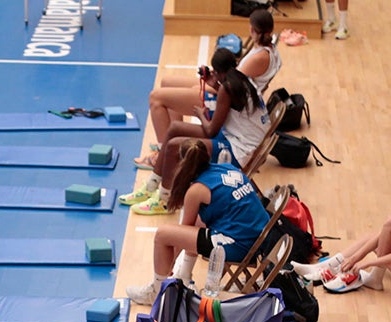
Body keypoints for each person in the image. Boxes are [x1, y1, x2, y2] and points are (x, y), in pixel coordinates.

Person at [120, 48, 269, 216]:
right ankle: (151, 186)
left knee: (175, 145)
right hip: (240, 139)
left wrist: (200, 115)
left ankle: (164, 200)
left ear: (218, 72)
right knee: (175, 128)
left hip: (239, 151)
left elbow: (211, 130)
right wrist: (214, 85)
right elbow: (226, 110)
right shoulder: (242, 79)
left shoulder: (227, 89)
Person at [126, 139, 271, 305]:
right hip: (261, 237)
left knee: (162, 235)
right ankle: (184, 276)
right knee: (198, 221)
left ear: (182, 164)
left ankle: (158, 292)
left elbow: (181, 236)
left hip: (240, 245)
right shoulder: (228, 167)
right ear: (206, 156)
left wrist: (170, 264)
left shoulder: (196, 190)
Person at [135, 8, 280, 170]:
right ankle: (175, 144)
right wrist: (213, 80)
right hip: (233, 96)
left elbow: (232, 86)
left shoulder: (258, 58)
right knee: (167, 82)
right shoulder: (270, 51)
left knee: (156, 98)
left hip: (227, 103)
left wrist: (210, 85)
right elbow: (234, 80)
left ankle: (162, 156)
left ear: (252, 29)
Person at [292, 163, 391, 294]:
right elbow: (385, 233)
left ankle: (373, 276)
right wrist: (355, 258)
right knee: (377, 234)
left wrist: (366, 263)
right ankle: (330, 265)